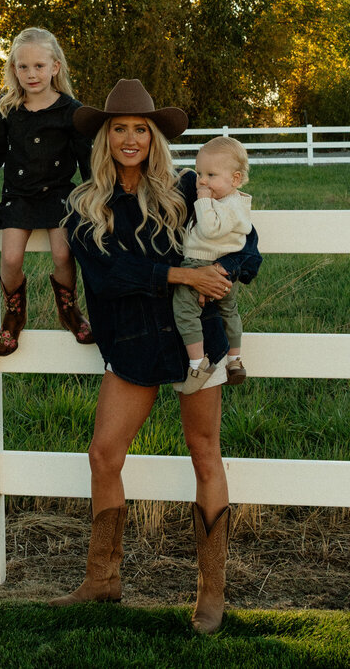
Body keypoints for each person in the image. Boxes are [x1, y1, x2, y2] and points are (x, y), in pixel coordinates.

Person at [49, 79, 261, 634]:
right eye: (119, 128)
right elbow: (107, 275)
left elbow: (246, 238)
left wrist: (222, 274)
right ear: (104, 136)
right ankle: (103, 579)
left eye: (140, 129)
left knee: (205, 452)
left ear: (153, 136)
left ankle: (210, 594)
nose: (129, 138)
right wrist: (178, 272)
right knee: (104, 455)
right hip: (133, 345)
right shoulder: (84, 205)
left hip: (197, 340)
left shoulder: (187, 189)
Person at [0, 27, 93, 355]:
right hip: (18, 195)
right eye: (23, 67)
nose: (31, 74)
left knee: (63, 253)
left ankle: (69, 309)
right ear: (14, 69)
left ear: (55, 67)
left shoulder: (71, 110)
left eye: (39, 66)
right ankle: (15, 314)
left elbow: (85, 153)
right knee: (11, 258)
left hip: (58, 194)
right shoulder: (9, 109)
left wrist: (93, 188)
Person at [176, 137, 253, 393]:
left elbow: (208, 230)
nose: (203, 180)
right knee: (228, 311)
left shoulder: (225, 205)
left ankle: (198, 363)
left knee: (185, 310)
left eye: (211, 174)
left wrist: (202, 199)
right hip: (224, 267)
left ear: (235, 179)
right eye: (199, 173)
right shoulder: (235, 202)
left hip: (202, 263)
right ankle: (234, 360)